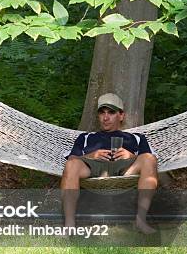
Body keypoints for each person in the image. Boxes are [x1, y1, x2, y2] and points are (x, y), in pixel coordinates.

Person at [61, 93, 158, 235]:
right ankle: (69, 225)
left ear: (121, 115)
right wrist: (91, 155)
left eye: (111, 112)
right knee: (71, 165)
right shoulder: (86, 137)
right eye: (102, 112)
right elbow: (71, 161)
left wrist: (131, 156)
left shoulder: (136, 138)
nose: (106, 118)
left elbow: (151, 161)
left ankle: (140, 220)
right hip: (93, 168)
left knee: (149, 159)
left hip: (126, 169)